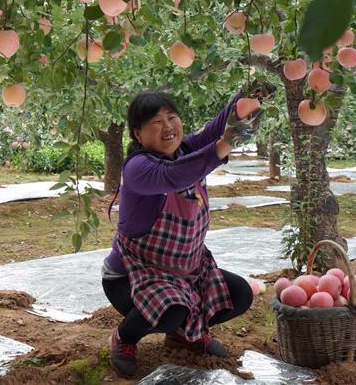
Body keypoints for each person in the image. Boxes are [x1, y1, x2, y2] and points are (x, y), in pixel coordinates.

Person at [102, 82, 275, 377]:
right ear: (138, 135)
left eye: (171, 117)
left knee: (240, 295)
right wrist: (225, 144)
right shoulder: (137, 168)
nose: (167, 126)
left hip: (186, 271)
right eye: (156, 122)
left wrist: (247, 95)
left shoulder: (185, 149)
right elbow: (174, 176)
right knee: (172, 311)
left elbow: (218, 125)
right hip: (132, 276)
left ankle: (183, 336)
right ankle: (124, 338)